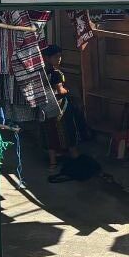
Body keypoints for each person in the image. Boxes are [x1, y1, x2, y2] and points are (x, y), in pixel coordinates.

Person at [41, 45, 81, 178]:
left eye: (60, 56)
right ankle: (76, 159)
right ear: (47, 58)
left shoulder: (43, 72)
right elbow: (60, 91)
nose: (59, 59)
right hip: (60, 108)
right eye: (56, 56)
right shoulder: (56, 73)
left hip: (46, 107)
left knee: (50, 134)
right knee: (68, 132)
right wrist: (68, 90)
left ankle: (52, 163)